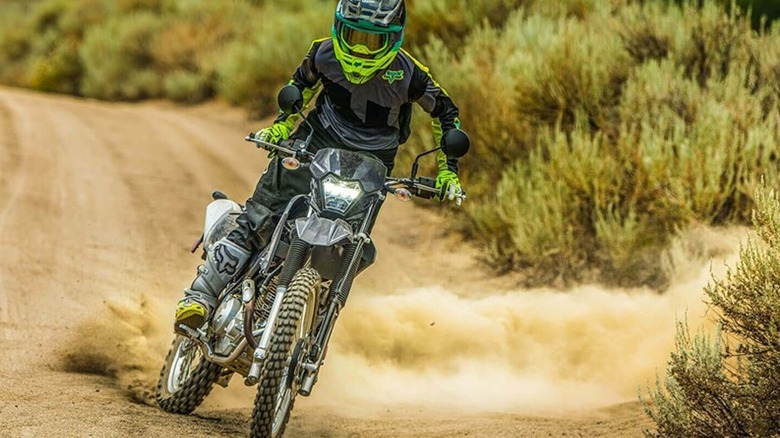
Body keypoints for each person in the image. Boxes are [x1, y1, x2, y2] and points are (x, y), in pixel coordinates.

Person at [174, 0, 466, 332]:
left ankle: (314, 323)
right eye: (353, 35)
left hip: (371, 166)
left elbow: (446, 112)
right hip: (313, 145)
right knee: (260, 217)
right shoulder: (323, 54)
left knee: (352, 245)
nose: (359, 48)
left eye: (371, 40)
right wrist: (282, 127)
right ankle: (199, 297)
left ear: (393, 37)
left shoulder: (410, 74)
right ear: (339, 27)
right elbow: (299, 88)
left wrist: (447, 171)